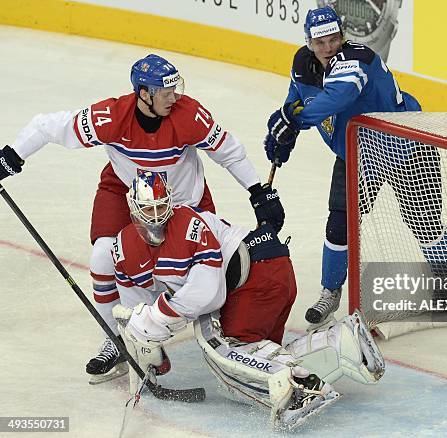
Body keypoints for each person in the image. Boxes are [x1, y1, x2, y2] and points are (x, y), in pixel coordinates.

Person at [0, 54, 284, 383]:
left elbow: (229, 150)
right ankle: (117, 339)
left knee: (198, 264)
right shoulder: (110, 117)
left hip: (182, 200)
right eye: (166, 92)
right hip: (124, 193)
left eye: (176, 89)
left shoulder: (188, 114)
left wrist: (257, 191)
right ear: (144, 93)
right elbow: (45, 126)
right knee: (104, 256)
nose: (174, 96)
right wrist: (10, 157)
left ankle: (168, 323)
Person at [111, 171, 385, 429]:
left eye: (161, 207)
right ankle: (341, 343)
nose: (156, 216)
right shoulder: (129, 248)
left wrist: (155, 318)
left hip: (257, 277)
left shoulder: (187, 224)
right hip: (268, 271)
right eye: (149, 209)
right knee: (260, 355)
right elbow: (145, 302)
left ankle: (298, 389)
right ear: (133, 210)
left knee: (225, 348)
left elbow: (208, 293)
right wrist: (145, 332)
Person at [264, 6, 447, 325]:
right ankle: (329, 293)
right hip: (355, 152)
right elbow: (296, 97)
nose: (328, 47)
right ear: (309, 42)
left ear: (343, 35)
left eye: (333, 38)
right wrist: (285, 134)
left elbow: (336, 98)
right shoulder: (303, 63)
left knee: (425, 224)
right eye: (320, 41)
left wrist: (294, 118)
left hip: (406, 145)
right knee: (339, 225)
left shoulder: (358, 59)